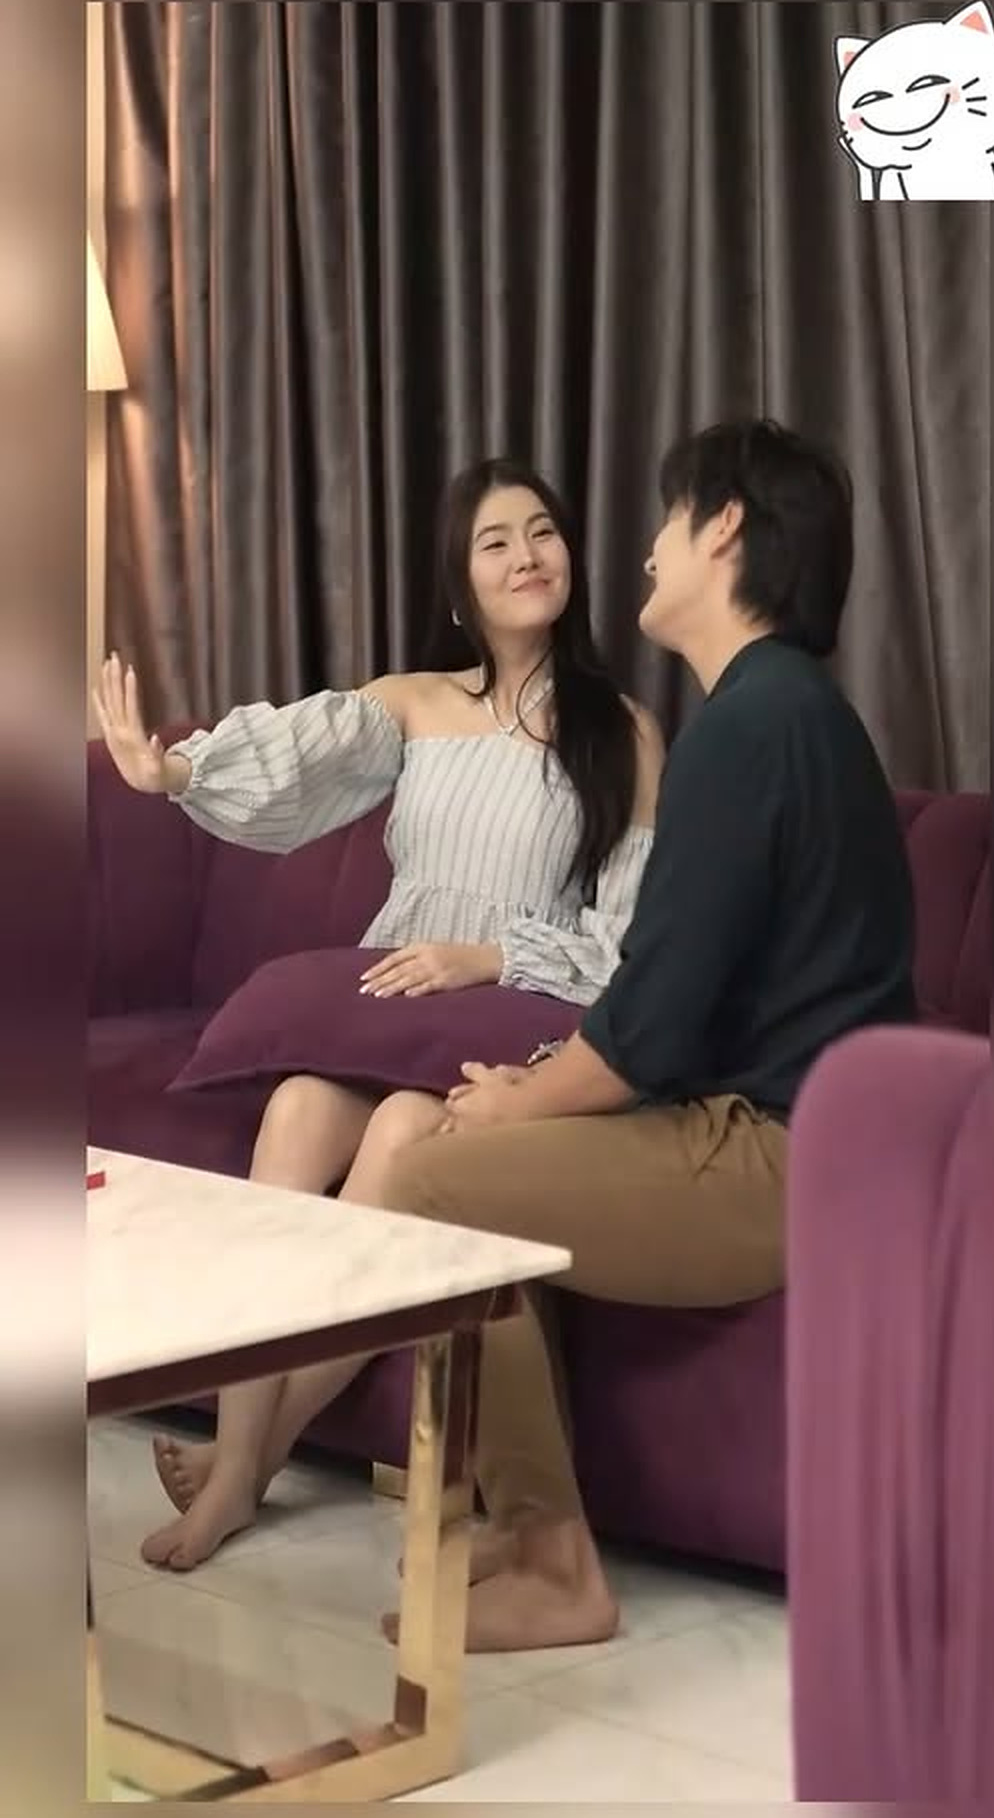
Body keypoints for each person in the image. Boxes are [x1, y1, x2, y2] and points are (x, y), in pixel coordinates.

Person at [366, 418, 918, 1654]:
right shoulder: (786, 712)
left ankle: (555, 1562)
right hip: (798, 1135)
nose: (650, 547)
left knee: (438, 1176)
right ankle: (516, 1526)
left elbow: (647, 1030)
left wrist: (517, 1101)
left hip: (784, 1157)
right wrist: (529, 1092)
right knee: (480, 1147)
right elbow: (679, 1003)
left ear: (724, 529)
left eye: (671, 518)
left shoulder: (748, 726)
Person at [92, 458, 665, 1571]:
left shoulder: (624, 733)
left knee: (403, 1134)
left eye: (542, 532)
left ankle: (243, 1470)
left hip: (510, 1027)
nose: (527, 556)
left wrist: (486, 956)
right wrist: (175, 775)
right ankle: (243, 1453)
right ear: (460, 586)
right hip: (386, 1013)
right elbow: (293, 765)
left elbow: (626, 946)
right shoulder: (412, 704)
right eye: (495, 541)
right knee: (298, 1111)